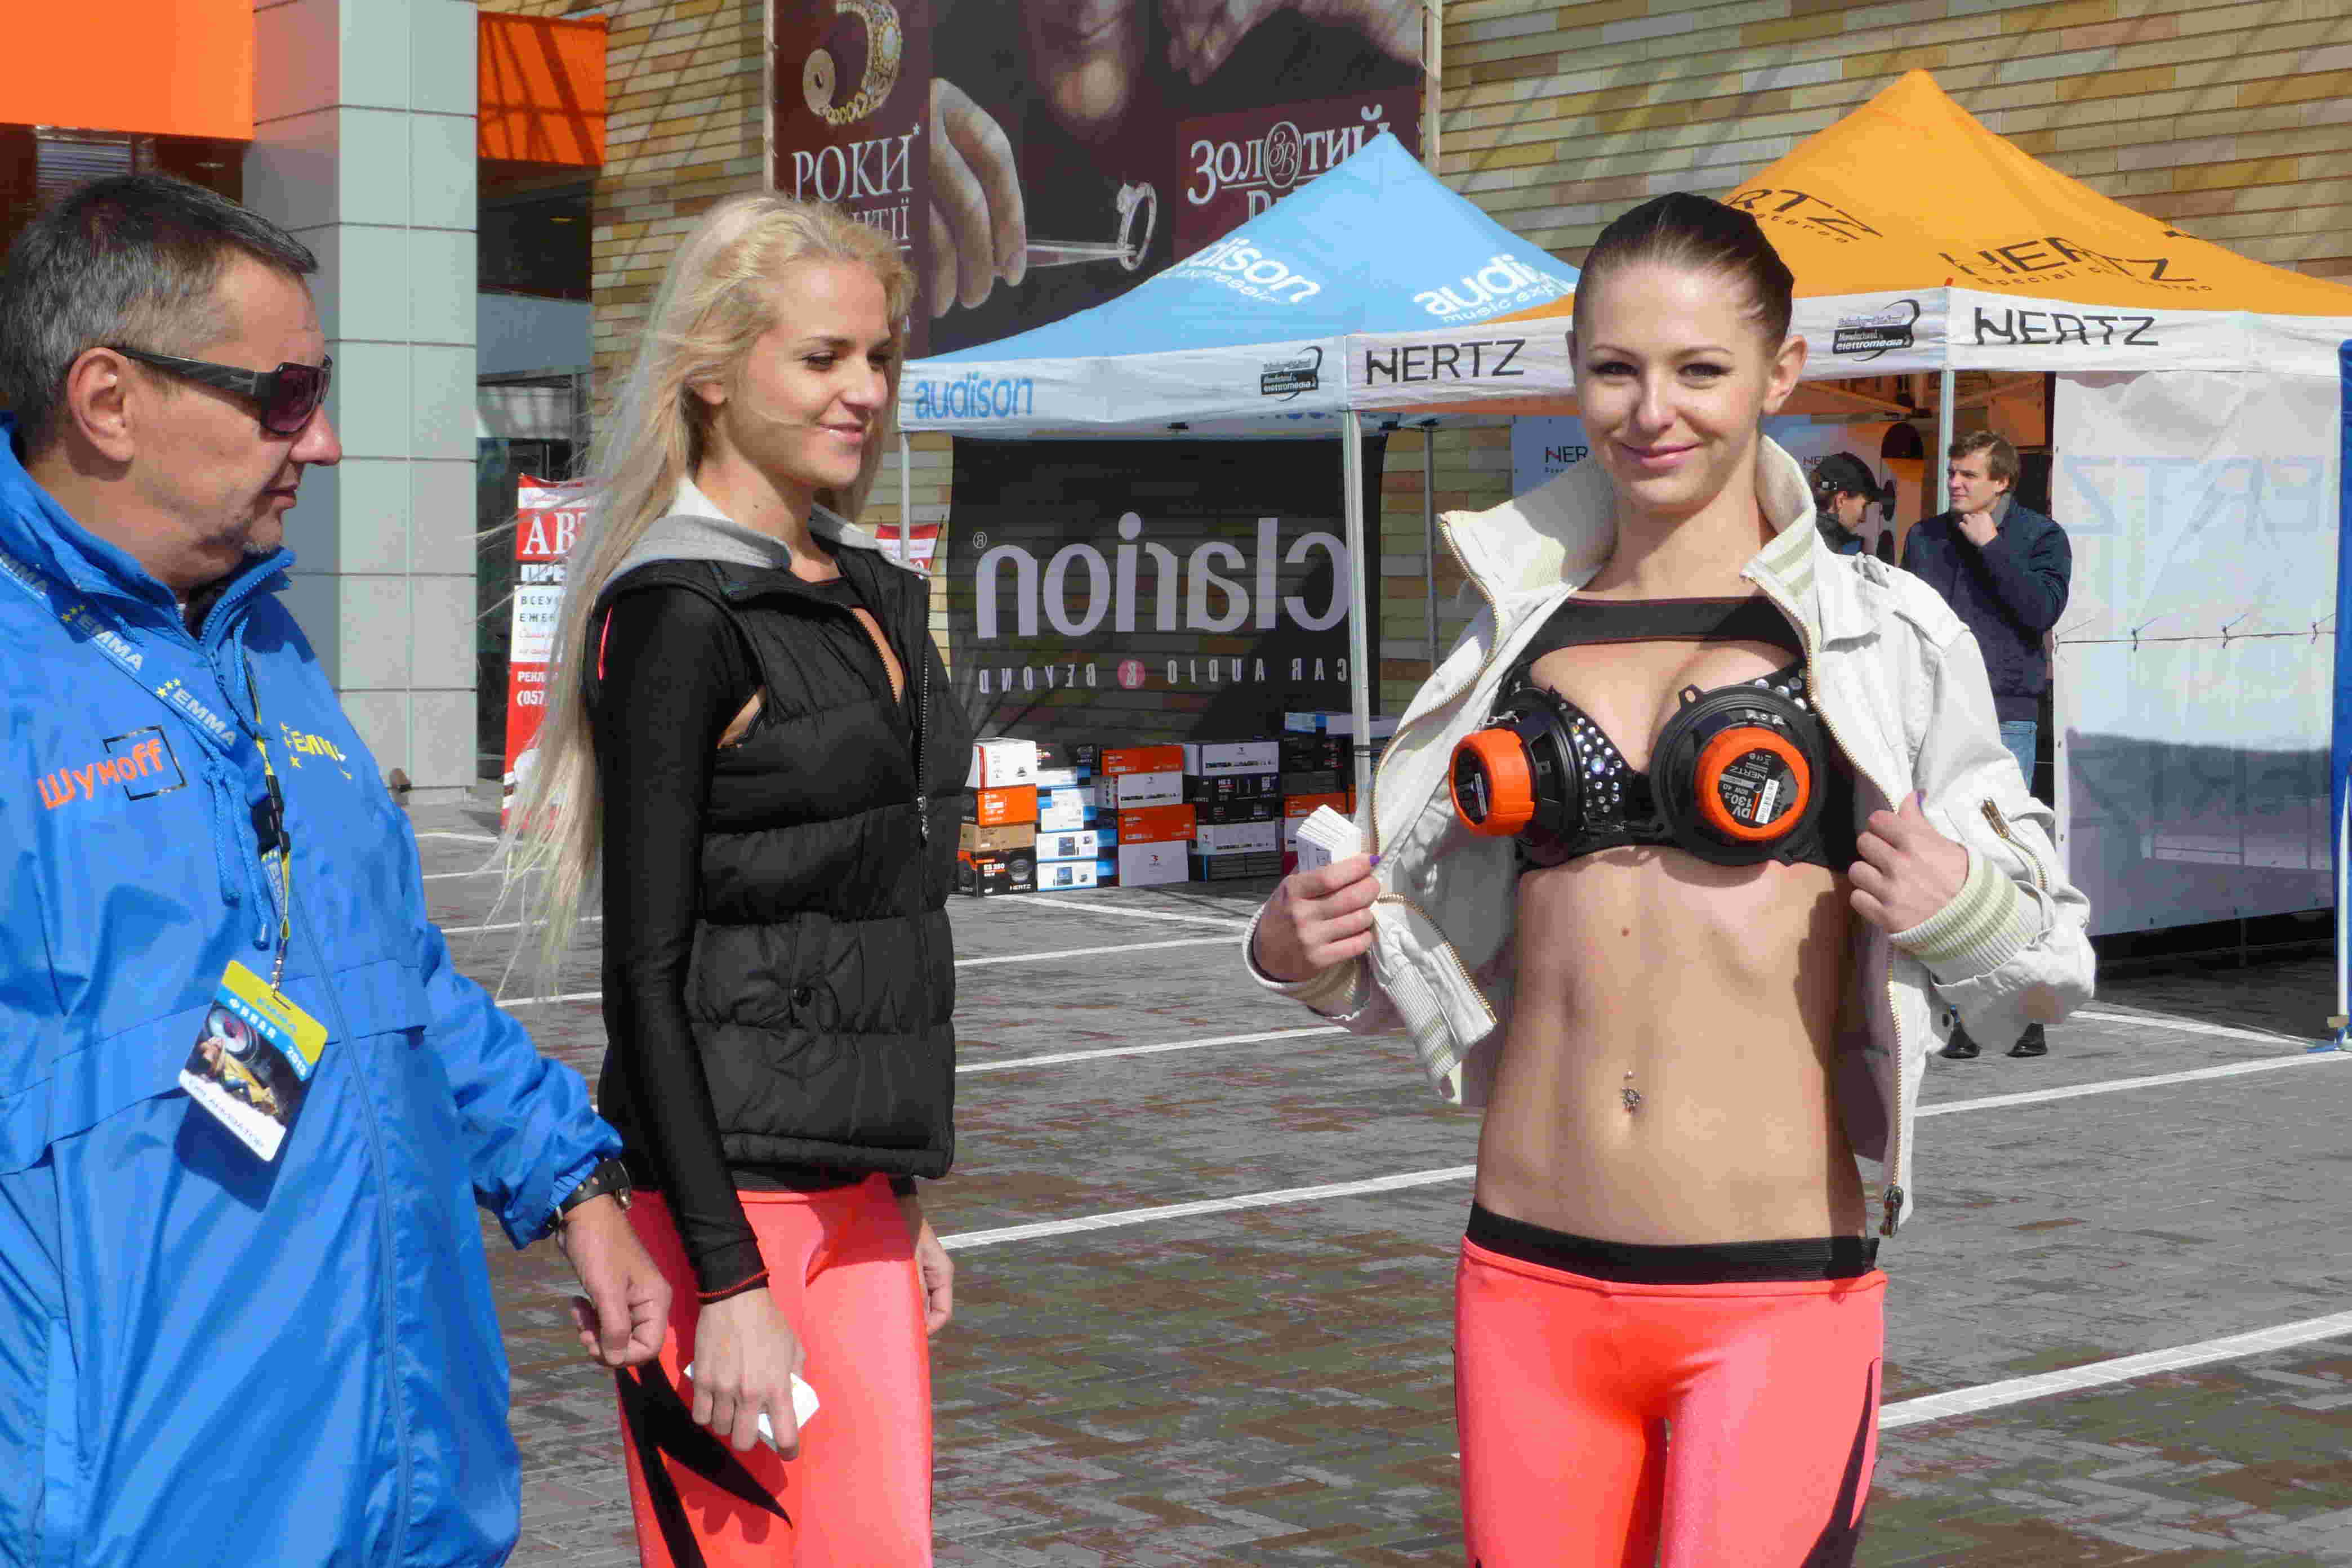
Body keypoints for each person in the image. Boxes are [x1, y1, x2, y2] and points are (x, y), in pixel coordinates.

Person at [1245, 193, 2094, 1567]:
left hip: (1770, 1293)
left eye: (1700, 369)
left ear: (1779, 371)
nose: (1654, 411)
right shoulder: (1507, 640)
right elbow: (1402, 954)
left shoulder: (1881, 638)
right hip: (1525, 1277)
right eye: (1615, 368)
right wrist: (1299, 949)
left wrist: (1963, 907)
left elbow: (2052, 963)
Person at [0, 174, 667, 1567]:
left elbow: (386, 971)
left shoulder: (264, 644)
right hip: (149, 1517)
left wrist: (571, 1181)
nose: (328, 439)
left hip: (406, 1485)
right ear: (108, 400)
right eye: (286, 395)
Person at [506, 193, 970, 1567]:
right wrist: (730, 1282)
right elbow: (643, 977)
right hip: (728, 1210)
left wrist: (902, 1196)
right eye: (821, 357)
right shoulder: (677, 611)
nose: (864, 391)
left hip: (858, 1195)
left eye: (878, 357)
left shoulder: (870, 592)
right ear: (712, 372)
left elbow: (883, 917)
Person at [1901, 429, 2072, 1059]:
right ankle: (1963, 1017)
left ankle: (2025, 1014)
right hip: (1931, 717)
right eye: (1952, 473)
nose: (1954, 483)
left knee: (2009, 862)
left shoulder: (2040, 537)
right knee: (1946, 863)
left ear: (2002, 482)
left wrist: (1992, 547)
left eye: (1968, 475)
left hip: (2004, 717)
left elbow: (2040, 613)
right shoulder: (1925, 537)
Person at [1810, 451, 1893, 563]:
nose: (1863, 518)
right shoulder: (1830, 553)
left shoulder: (1803, 537)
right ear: (1841, 500)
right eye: (1864, 506)